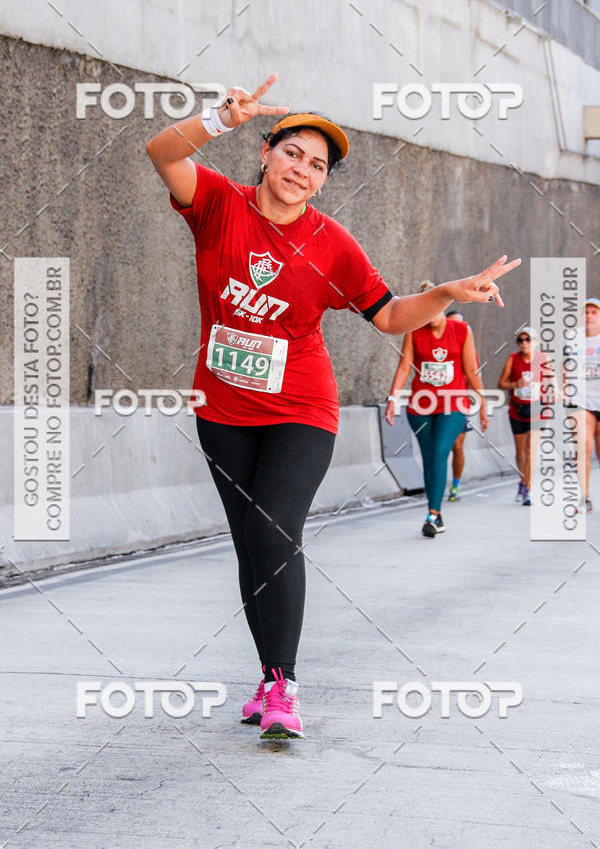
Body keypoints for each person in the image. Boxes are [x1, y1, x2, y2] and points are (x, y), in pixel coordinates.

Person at [146, 73, 520, 740]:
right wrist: (217, 118)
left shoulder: (332, 244)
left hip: (301, 408)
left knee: (273, 528)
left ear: (321, 182)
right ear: (266, 153)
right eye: (293, 154)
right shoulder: (218, 203)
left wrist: (448, 293)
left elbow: (389, 315)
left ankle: (285, 686)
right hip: (223, 409)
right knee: (250, 546)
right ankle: (267, 676)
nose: (303, 170)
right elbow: (163, 153)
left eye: (317, 166)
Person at [385, 283, 489, 537]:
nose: (426, 314)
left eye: (431, 307)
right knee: (430, 456)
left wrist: (483, 403)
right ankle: (435, 515)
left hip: (453, 403)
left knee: (441, 451)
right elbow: (404, 367)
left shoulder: (462, 330)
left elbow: (471, 371)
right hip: (420, 406)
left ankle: (433, 513)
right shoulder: (414, 331)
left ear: (443, 305)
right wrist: (392, 398)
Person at [497, 327, 545, 506]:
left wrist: (554, 390)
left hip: (538, 410)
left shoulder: (543, 359)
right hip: (517, 410)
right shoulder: (513, 359)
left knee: (532, 449)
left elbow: (553, 380)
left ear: (536, 342)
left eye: (528, 339)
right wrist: (515, 384)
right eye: (521, 340)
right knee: (521, 451)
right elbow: (501, 383)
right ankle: (522, 480)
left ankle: (528, 488)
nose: (524, 343)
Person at [444, 310, 477, 501]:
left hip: (459, 402)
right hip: (435, 401)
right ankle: (438, 480)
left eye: (461, 324)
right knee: (440, 447)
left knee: (457, 445)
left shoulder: (467, 347)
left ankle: (455, 485)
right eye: (453, 323)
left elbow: (473, 374)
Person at [580, 297, 600, 512]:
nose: (589, 316)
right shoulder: (574, 340)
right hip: (582, 401)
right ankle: (584, 496)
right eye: (586, 312)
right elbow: (563, 366)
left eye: (594, 312)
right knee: (583, 448)